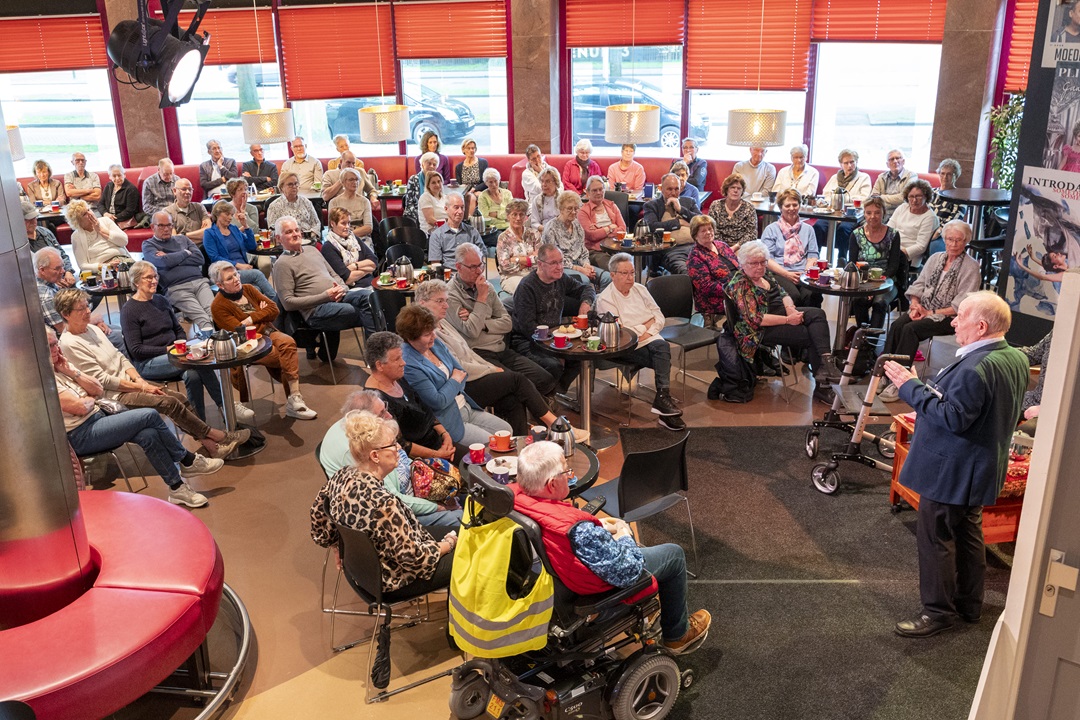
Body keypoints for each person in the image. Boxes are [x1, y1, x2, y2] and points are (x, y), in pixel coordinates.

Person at [883, 292, 1028, 638]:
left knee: (936, 539)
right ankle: (969, 604)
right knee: (968, 535)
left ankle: (937, 613)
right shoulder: (1014, 358)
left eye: (960, 316)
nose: (952, 321)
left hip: (951, 471)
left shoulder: (977, 367)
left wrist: (910, 387)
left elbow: (953, 418)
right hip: (979, 468)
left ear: (980, 326)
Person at [512, 440, 711, 654]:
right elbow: (629, 571)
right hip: (590, 595)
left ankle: (656, 615)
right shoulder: (580, 531)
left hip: (554, 585)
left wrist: (597, 533)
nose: (570, 477)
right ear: (551, 485)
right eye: (566, 472)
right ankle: (677, 635)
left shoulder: (511, 501)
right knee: (674, 555)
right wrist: (625, 534)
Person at [55, 288, 249, 459]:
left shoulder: (91, 329)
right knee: (168, 402)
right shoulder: (69, 343)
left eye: (87, 306)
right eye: (81, 309)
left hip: (131, 382)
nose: (88, 311)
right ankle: (218, 436)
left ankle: (212, 446)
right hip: (114, 395)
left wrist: (139, 379)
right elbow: (102, 381)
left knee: (179, 398)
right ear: (66, 314)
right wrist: (141, 386)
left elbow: (119, 356)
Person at [50, 328, 222, 508]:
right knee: (150, 415)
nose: (57, 348)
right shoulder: (46, 379)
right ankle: (186, 459)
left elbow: (98, 390)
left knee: (148, 434)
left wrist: (73, 373)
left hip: (99, 417)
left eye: (56, 342)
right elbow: (78, 407)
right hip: (80, 434)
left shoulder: (63, 365)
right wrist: (88, 399)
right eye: (51, 345)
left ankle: (177, 489)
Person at [415, 280, 586, 440]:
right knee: (517, 379)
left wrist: (489, 367)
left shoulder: (443, 323)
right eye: (439, 301)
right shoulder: (429, 336)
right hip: (465, 384)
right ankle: (555, 425)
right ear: (422, 303)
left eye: (446, 301)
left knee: (513, 399)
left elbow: (470, 351)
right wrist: (490, 370)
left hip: (477, 370)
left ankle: (517, 447)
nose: (446, 305)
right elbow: (458, 367)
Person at [309, 411, 458, 594]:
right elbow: (417, 560)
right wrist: (449, 543)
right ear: (375, 456)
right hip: (395, 580)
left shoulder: (342, 475)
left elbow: (318, 519)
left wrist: (337, 546)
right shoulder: (384, 504)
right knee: (471, 549)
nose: (399, 449)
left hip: (363, 572)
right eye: (393, 445)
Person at [120, 260, 254, 424]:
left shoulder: (161, 300)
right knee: (197, 360)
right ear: (136, 281)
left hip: (177, 355)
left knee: (193, 375)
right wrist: (169, 349)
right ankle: (227, 406)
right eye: (149, 278)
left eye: (155, 276)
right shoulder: (129, 310)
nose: (154, 281)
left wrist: (180, 344)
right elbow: (136, 350)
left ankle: (200, 425)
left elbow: (178, 329)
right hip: (148, 363)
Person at [319, 390, 464, 527]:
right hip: (393, 512)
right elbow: (393, 499)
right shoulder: (360, 451)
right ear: (366, 423)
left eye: (385, 408)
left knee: (460, 492)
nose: (389, 416)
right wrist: (438, 507)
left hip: (407, 488)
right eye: (381, 413)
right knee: (460, 518)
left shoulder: (357, 427)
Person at [725, 240, 841, 404]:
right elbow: (756, 319)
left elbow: (783, 293)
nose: (759, 266)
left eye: (763, 262)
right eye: (754, 263)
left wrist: (790, 308)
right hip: (758, 330)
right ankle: (823, 386)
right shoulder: (740, 284)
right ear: (742, 264)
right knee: (810, 335)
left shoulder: (764, 274)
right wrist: (788, 320)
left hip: (779, 314)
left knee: (817, 314)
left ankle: (826, 363)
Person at [878, 220, 982, 402]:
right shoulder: (935, 258)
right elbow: (918, 285)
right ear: (944, 239)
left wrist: (930, 312)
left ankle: (899, 381)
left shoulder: (971, 267)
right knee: (898, 325)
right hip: (925, 309)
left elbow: (962, 304)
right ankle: (884, 373)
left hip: (950, 317)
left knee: (911, 330)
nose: (953, 244)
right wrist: (916, 305)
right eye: (950, 239)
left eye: (959, 240)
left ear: (966, 242)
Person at [209, 261, 317, 421]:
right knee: (282, 357)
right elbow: (240, 330)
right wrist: (261, 313)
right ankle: (292, 403)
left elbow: (274, 310)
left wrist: (251, 317)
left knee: (288, 342)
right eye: (229, 278)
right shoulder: (218, 306)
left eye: (236, 274)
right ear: (220, 285)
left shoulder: (249, 289)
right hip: (246, 344)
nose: (236, 279)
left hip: (268, 332)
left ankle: (295, 398)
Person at [397, 304, 513, 447]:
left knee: (507, 430)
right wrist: (453, 379)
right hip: (448, 419)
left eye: (432, 331)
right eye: (427, 335)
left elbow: (462, 373)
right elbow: (437, 401)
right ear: (410, 338)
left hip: (466, 406)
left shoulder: (435, 344)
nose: (433, 336)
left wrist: (451, 384)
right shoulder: (409, 363)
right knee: (493, 444)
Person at [449, 243, 557, 395]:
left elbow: (507, 323)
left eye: (481, 264)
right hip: (478, 354)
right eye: (473, 267)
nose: (479, 271)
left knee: (545, 379)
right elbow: (472, 332)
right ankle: (542, 415)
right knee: (517, 384)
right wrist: (481, 298)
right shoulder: (450, 295)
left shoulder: (487, 287)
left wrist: (483, 324)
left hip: (501, 348)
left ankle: (540, 412)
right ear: (458, 267)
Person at [598, 253, 685, 429]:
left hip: (649, 340)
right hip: (623, 347)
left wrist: (648, 329)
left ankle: (662, 399)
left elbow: (659, 316)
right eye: (624, 273)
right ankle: (663, 401)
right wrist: (646, 326)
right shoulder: (605, 299)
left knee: (660, 347)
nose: (630, 278)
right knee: (662, 352)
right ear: (612, 274)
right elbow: (622, 332)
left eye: (632, 272)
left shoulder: (640, 289)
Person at [271, 215, 374, 360]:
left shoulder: (312, 250)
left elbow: (333, 274)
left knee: (370, 299)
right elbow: (287, 303)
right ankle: (375, 356)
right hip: (317, 310)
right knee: (357, 311)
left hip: (339, 296)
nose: (295, 234)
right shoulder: (282, 264)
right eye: (288, 232)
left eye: (297, 230)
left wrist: (343, 288)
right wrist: (326, 296)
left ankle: (375, 354)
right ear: (278, 238)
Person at [510, 244, 596, 393]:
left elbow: (587, 288)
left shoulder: (561, 279)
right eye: (554, 263)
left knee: (584, 355)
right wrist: (555, 347)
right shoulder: (527, 287)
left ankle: (554, 392)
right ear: (540, 264)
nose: (560, 267)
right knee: (553, 364)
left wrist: (585, 303)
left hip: (554, 337)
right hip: (526, 340)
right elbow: (528, 327)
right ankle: (546, 396)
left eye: (561, 262)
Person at [363, 332, 460, 461]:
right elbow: (401, 444)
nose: (403, 363)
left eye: (401, 357)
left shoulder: (397, 378)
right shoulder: (376, 401)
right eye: (397, 359)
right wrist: (438, 455)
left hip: (437, 444)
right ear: (380, 365)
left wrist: (445, 435)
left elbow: (425, 409)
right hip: (418, 460)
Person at [35, 248, 125, 356]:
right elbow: (63, 328)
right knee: (120, 337)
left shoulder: (49, 283)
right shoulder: (46, 296)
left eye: (62, 266)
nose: (63, 271)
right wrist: (93, 320)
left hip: (78, 326)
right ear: (42, 270)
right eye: (57, 268)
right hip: (70, 340)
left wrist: (95, 322)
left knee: (119, 330)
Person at [142, 211, 215, 329]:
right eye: (161, 225)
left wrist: (169, 256)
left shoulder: (183, 239)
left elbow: (199, 259)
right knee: (203, 318)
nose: (166, 229)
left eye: (169, 225)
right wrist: (185, 253)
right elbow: (162, 262)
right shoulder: (148, 245)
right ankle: (214, 343)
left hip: (200, 282)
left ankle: (221, 342)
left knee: (213, 312)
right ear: (152, 227)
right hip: (176, 288)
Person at [202, 200, 278, 301]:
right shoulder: (209, 233)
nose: (230, 218)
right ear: (217, 213)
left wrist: (246, 226)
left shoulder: (233, 228)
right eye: (227, 214)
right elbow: (215, 257)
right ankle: (278, 305)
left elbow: (251, 246)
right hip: (225, 272)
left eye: (231, 215)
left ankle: (263, 313)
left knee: (257, 288)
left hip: (243, 270)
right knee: (257, 274)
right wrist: (238, 265)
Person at [760, 188, 821, 307]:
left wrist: (805, 273)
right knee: (794, 296)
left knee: (812, 295)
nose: (792, 209)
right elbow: (767, 259)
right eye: (787, 205)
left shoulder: (809, 229)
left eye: (795, 204)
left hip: (803, 273)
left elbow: (813, 255)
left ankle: (810, 322)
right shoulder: (771, 230)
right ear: (780, 207)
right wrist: (787, 274)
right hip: (780, 273)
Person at [848, 196, 902, 328]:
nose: (873, 216)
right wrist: (866, 288)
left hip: (886, 282)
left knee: (880, 302)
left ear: (884, 213)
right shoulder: (856, 234)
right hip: (862, 282)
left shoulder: (893, 235)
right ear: (864, 214)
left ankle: (871, 343)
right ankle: (862, 336)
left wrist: (875, 287)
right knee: (858, 300)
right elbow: (852, 264)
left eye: (877, 213)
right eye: (869, 213)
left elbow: (893, 266)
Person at [543, 190, 611, 291]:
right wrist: (580, 269)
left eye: (576, 208)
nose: (574, 212)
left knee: (608, 278)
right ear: (560, 209)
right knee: (584, 281)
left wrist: (586, 265)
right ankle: (586, 305)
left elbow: (583, 250)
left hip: (580, 264)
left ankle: (599, 304)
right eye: (569, 209)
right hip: (561, 267)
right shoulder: (551, 228)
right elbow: (554, 259)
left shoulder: (577, 225)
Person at [686, 215, 741, 327]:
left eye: (710, 229)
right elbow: (706, 287)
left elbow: (739, 267)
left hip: (739, 290)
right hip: (718, 299)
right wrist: (734, 290)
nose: (708, 232)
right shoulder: (695, 257)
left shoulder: (722, 246)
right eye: (703, 231)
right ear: (695, 235)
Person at [643, 174, 701, 275]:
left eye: (676, 189)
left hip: (696, 246)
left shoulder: (689, 202)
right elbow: (652, 227)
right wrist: (678, 223)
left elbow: (702, 222)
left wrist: (680, 209)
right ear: (661, 189)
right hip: (673, 250)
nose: (673, 193)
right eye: (669, 189)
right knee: (687, 272)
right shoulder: (652, 205)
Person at [66, 199, 133, 273]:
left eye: (89, 210)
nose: (90, 214)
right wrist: (105, 266)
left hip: (122, 259)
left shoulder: (105, 221)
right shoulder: (76, 236)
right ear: (78, 221)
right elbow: (83, 265)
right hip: (101, 268)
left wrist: (101, 230)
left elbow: (124, 241)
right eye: (84, 214)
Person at [321, 207, 378, 289]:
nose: (347, 227)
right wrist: (367, 269)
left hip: (371, 283)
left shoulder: (354, 239)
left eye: (349, 223)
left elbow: (374, 262)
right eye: (343, 223)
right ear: (332, 224)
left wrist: (355, 266)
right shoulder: (328, 247)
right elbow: (347, 278)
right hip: (353, 289)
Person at [578, 175, 627, 269]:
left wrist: (600, 231)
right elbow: (592, 236)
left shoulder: (612, 205)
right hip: (596, 251)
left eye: (601, 189)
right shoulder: (583, 211)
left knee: (628, 265)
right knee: (615, 268)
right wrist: (610, 228)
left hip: (616, 248)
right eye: (594, 190)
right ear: (587, 192)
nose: (598, 193)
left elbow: (623, 229)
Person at [888, 179, 939, 267]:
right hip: (892, 250)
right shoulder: (902, 208)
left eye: (918, 196)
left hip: (910, 257)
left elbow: (921, 247)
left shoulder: (930, 217)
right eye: (911, 196)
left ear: (926, 197)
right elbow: (888, 229)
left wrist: (898, 252)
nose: (914, 200)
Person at [496, 199, 543, 294]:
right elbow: (505, 267)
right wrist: (530, 259)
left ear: (526, 217)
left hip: (535, 274)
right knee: (527, 290)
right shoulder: (503, 238)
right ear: (508, 216)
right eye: (514, 214)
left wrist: (516, 259)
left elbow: (541, 260)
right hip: (511, 277)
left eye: (521, 214)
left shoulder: (534, 233)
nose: (518, 218)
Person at [24, 202, 75, 284]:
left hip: (61, 275)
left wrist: (68, 272)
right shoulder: (19, 244)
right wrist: (52, 281)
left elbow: (62, 254)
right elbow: (28, 271)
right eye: (29, 220)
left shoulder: (45, 232)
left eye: (35, 218)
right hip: (42, 284)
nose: (34, 222)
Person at [427, 193, 485, 263]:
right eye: (456, 207)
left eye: (462, 207)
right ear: (446, 209)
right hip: (448, 272)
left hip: (470, 271)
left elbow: (483, 256)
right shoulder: (437, 235)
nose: (460, 211)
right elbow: (435, 264)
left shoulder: (472, 232)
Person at [266, 172, 321, 243]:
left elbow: (316, 223)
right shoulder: (274, 206)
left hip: (309, 240)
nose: (294, 186)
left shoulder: (306, 202)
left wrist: (310, 236)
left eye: (296, 183)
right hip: (287, 243)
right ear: (281, 187)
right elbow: (273, 230)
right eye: (290, 184)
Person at [708, 173, 757, 251]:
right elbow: (711, 229)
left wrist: (735, 247)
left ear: (742, 191)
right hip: (718, 245)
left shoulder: (749, 208)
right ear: (726, 189)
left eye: (739, 188)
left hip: (741, 247)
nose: (735, 191)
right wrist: (723, 248)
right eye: (732, 187)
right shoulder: (715, 205)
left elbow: (752, 233)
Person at [927, 159, 966, 255]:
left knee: (934, 246)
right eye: (942, 173)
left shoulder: (960, 197)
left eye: (949, 174)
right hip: (924, 228)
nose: (945, 177)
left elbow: (954, 220)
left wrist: (938, 232)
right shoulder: (931, 192)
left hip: (944, 233)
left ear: (956, 176)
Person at [1017, 331, 1051, 436]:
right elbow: (1033, 355)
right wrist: (1000, 349)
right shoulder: (1060, 331)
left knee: (1024, 432)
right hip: (1035, 398)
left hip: (1062, 411)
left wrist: (1045, 409)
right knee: (996, 409)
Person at [326, 168, 374, 242]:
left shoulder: (365, 201)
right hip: (340, 239)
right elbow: (331, 227)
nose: (355, 182)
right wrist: (344, 236)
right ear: (343, 182)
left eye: (357, 179)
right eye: (351, 180)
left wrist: (348, 234)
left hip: (361, 238)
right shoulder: (334, 202)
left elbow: (368, 228)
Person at [872, 148, 917, 218]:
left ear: (903, 161)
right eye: (891, 159)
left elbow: (904, 197)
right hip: (882, 213)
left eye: (898, 158)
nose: (895, 161)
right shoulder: (881, 177)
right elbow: (874, 197)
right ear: (887, 164)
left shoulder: (911, 176)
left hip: (902, 215)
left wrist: (881, 197)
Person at [165, 178, 211, 243]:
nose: (188, 192)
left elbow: (208, 232)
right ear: (175, 191)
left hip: (202, 249)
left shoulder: (199, 207)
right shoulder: (167, 212)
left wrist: (183, 235)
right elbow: (174, 240)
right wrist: (199, 236)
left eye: (190, 189)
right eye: (184, 189)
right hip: (182, 251)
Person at [99, 164, 141, 228]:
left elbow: (130, 211)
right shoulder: (109, 186)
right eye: (114, 176)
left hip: (122, 219)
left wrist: (113, 218)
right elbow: (100, 204)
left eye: (119, 175)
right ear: (110, 177)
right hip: (108, 218)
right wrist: (105, 214)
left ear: (124, 175)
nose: (117, 178)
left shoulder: (131, 189)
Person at [455, 137, 488, 217]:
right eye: (468, 148)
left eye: (473, 148)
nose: (471, 150)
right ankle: (468, 221)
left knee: (474, 196)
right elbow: (459, 184)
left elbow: (486, 181)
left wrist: (475, 189)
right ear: (463, 150)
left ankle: (469, 221)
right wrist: (467, 191)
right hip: (465, 192)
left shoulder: (483, 163)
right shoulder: (459, 167)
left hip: (479, 190)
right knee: (470, 196)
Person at [405, 152, 440, 226]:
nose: (431, 166)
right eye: (429, 163)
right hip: (415, 215)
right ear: (422, 164)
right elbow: (409, 204)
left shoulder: (437, 181)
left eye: (434, 164)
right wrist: (422, 214)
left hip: (433, 215)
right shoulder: (413, 179)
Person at [477, 168, 513, 233]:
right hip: (493, 229)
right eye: (490, 182)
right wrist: (504, 219)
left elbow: (511, 213)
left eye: (495, 181)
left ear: (499, 180)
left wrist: (496, 214)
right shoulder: (482, 197)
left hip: (510, 226)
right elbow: (485, 217)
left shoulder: (508, 193)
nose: (494, 184)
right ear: (486, 183)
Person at [529, 166, 563, 232]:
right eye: (542, 181)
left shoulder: (563, 198)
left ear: (556, 182)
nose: (544, 184)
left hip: (560, 231)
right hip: (543, 231)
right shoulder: (537, 200)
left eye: (547, 181)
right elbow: (534, 222)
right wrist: (545, 229)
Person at [418, 171, 450, 236]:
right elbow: (430, 220)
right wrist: (448, 226)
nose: (437, 185)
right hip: (430, 233)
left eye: (439, 181)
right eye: (433, 183)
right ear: (428, 185)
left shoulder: (445, 197)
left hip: (445, 230)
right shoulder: (425, 197)